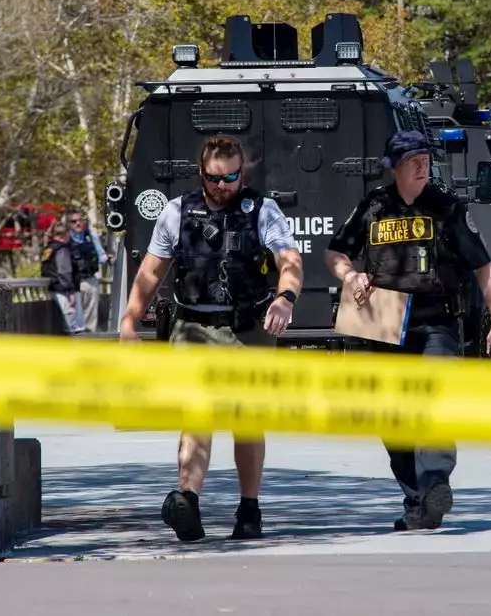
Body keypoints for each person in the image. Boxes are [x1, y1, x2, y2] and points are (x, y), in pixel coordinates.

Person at [324, 129, 491, 532]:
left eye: (425, 159)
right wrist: (350, 274)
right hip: (382, 322)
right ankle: (419, 501)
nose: (422, 166)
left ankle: (434, 486)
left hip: (436, 321)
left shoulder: (446, 208)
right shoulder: (374, 206)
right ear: (394, 167)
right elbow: (335, 251)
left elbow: (483, 267)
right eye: (413, 161)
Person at [118, 134, 304, 542]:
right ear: (201, 173)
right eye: (214, 178)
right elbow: (151, 272)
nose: (222, 186)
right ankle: (188, 502)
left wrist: (285, 299)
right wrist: (130, 319)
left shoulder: (263, 210)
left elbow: (289, 261)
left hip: (247, 328)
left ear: (243, 171)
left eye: (231, 177)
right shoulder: (176, 212)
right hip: (194, 326)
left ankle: (249, 508)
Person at [66, 211, 109, 333]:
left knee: (91, 315)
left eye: (80, 220)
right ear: (69, 224)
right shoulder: (65, 239)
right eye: (74, 221)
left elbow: (102, 256)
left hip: (90, 280)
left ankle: (90, 344)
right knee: (74, 317)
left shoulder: (91, 236)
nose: (78, 223)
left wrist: (109, 257)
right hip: (73, 282)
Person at [40, 220, 83, 334]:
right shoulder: (62, 249)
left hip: (53, 289)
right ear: (66, 234)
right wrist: (70, 292)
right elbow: (64, 272)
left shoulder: (48, 249)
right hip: (63, 291)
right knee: (72, 328)